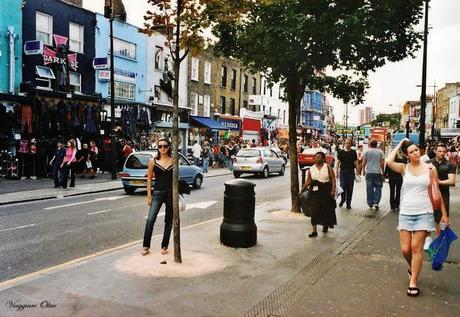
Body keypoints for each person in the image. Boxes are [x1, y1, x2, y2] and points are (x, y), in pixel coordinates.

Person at [386, 138, 449, 297]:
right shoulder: (404, 168)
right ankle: (411, 266)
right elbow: (388, 161)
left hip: (424, 212)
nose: (415, 153)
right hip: (406, 212)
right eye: (411, 152)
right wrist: (400, 144)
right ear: (407, 155)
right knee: (405, 249)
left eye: (416, 150)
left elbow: (437, 192)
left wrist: (444, 215)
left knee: (416, 248)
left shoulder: (430, 168)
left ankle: (413, 281)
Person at [142, 138, 173, 256]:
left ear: (169, 147)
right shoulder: (153, 161)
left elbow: (176, 178)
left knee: (169, 221)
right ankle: (146, 246)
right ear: (158, 148)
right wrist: (149, 195)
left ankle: (164, 246)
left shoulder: (174, 160)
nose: (163, 148)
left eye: (165, 146)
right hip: (158, 193)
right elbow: (149, 178)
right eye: (160, 146)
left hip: (170, 193)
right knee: (150, 219)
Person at [424, 143, 457, 250]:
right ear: (435, 151)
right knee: (428, 216)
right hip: (429, 193)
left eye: (443, 151)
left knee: (442, 218)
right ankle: (428, 238)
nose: (442, 153)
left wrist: (437, 182)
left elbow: (452, 181)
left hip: (443, 194)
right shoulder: (428, 163)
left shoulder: (449, 165)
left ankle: (439, 240)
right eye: (439, 151)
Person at [300, 152, 337, 237]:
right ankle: (314, 231)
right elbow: (308, 181)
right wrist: (302, 190)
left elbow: (333, 179)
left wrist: (333, 190)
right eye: (316, 157)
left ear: (323, 158)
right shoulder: (311, 169)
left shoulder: (328, 167)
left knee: (325, 209)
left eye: (319, 157)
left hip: (326, 191)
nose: (317, 159)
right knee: (313, 211)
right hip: (314, 192)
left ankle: (325, 225)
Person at [362, 139, 385, 210]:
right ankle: (376, 202)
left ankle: (370, 203)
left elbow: (364, 162)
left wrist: (363, 170)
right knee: (378, 188)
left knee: (369, 188)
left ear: (370, 144)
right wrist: (383, 172)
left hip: (369, 172)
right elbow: (382, 163)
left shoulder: (366, 151)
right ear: (376, 144)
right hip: (377, 172)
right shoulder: (381, 152)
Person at [335, 138, 357, 209]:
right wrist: (336, 171)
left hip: (351, 171)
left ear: (351, 144)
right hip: (343, 172)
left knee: (350, 188)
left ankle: (348, 203)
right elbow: (338, 162)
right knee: (342, 187)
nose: (348, 144)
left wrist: (357, 171)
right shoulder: (341, 152)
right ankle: (343, 199)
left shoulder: (353, 152)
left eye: (349, 143)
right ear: (344, 144)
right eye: (346, 143)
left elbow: (356, 162)